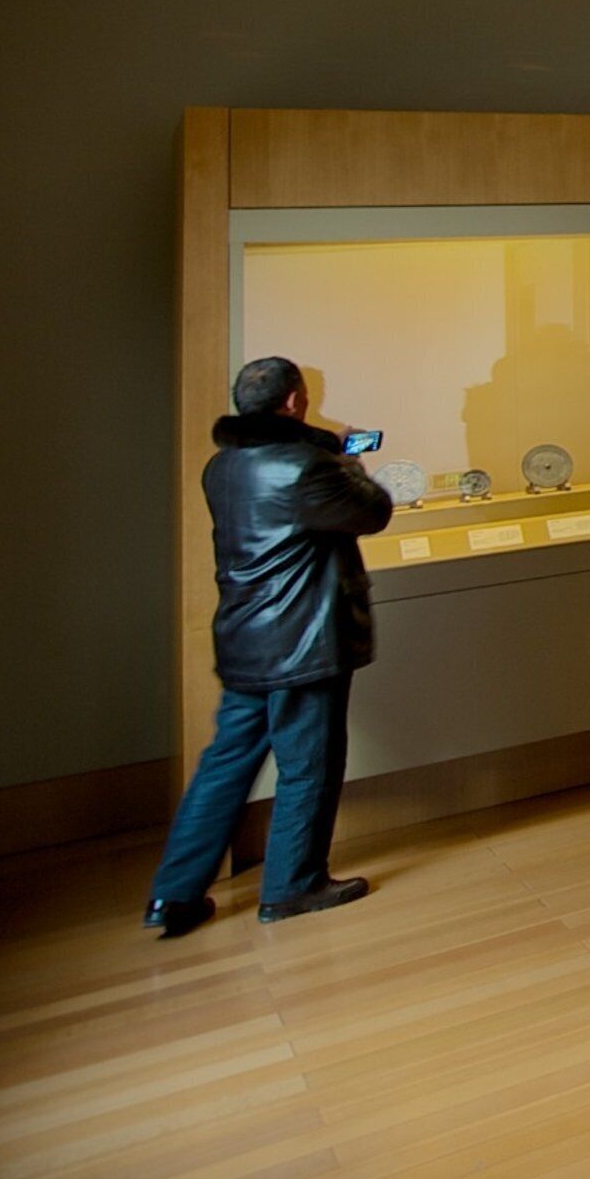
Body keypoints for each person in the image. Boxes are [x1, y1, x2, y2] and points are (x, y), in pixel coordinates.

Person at [146, 355, 394, 936]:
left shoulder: (221, 467)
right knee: (307, 765)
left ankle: (173, 894)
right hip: (304, 643)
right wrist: (347, 458)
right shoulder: (309, 467)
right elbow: (374, 511)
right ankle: (292, 885)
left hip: (244, 638)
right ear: (294, 401)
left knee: (224, 766)